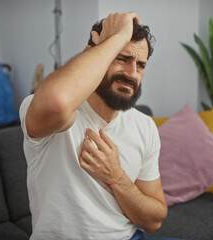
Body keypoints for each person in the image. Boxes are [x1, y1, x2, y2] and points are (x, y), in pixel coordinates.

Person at [20, 12, 180, 240]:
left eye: (141, 65)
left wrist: (116, 178)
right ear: (94, 55)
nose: (132, 74)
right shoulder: (50, 113)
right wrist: (118, 36)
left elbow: (154, 220)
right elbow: (57, 103)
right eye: (121, 58)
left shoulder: (144, 126)